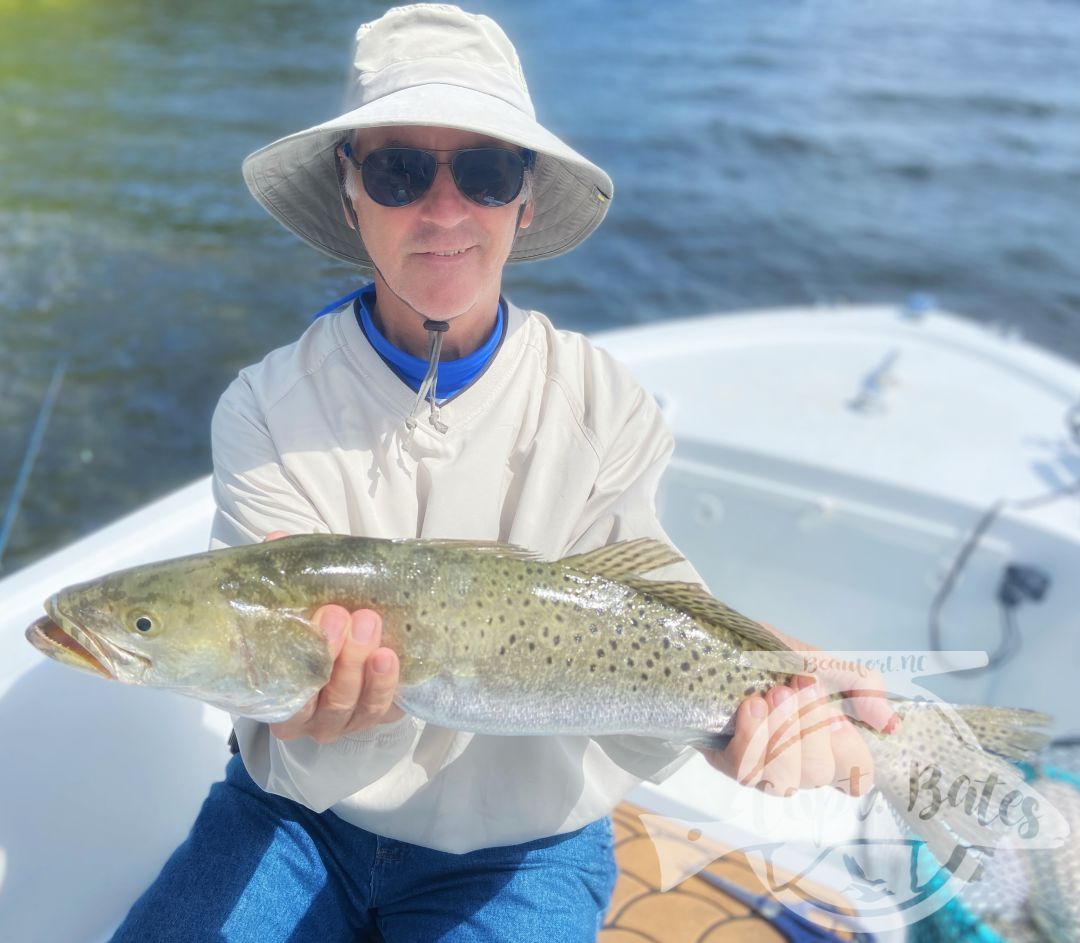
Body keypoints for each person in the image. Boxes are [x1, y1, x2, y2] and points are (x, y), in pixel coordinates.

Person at [111, 6, 894, 941]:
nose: (445, 211)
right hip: (298, 821)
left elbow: (635, 618)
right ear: (350, 189)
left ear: (524, 198)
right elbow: (282, 729)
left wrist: (743, 715)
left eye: (485, 171)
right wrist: (315, 727)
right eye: (400, 170)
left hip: (529, 843)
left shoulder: (608, 406)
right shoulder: (265, 408)